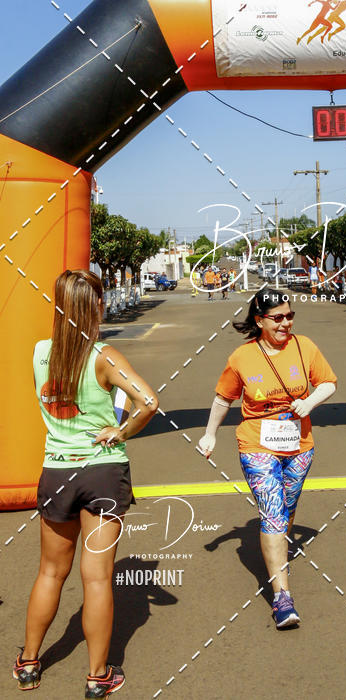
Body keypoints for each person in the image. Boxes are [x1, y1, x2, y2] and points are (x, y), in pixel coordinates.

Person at [14, 270, 158, 696]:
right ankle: (98, 677)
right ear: (95, 306)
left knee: (50, 572)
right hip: (102, 473)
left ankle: (28, 663)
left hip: (57, 469)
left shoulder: (41, 353)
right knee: (97, 577)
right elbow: (148, 401)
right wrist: (121, 431)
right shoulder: (105, 357)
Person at [197, 290, 336, 628]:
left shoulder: (305, 347)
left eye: (289, 316)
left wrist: (311, 402)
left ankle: (278, 554)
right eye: (278, 318)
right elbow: (223, 398)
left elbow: (329, 383)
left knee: (287, 508)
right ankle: (282, 598)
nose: (286, 323)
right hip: (256, 444)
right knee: (272, 512)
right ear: (260, 321)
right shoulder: (241, 357)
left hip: (299, 445)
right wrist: (210, 433)